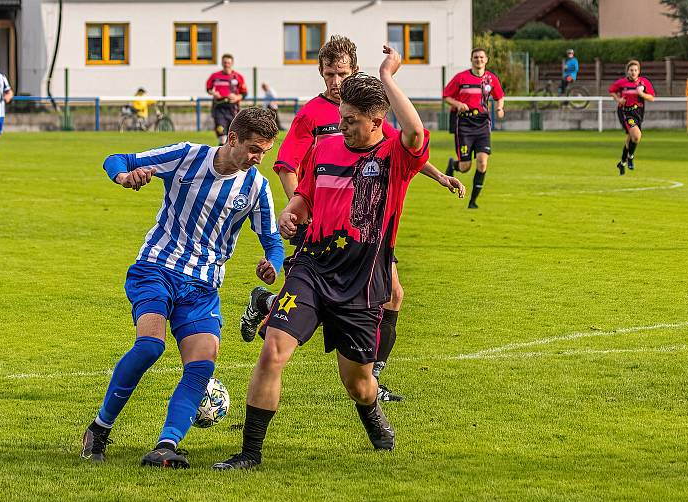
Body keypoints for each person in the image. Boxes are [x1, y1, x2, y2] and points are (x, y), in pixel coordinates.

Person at [213, 46, 430, 471]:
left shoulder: (394, 156)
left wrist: (388, 76)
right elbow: (303, 198)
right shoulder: (326, 149)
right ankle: (249, 454)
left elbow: (417, 133)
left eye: (351, 120)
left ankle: (372, 414)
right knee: (274, 348)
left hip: (362, 281)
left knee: (359, 384)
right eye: (342, 117)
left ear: (376, 120)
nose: (342, 126)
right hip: (312, 266)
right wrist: (290, 215)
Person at [238, 36, 464, 403]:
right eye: (329, 74)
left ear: (353, 72)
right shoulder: (311, 114)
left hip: (365, 229)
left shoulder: (365, 109)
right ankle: (365, 377)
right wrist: (300, 209)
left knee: (391, 294)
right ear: (320, 72)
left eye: (342, 74)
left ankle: (369, 375)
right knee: (325, 295)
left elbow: (403, 146)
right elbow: (285, 166)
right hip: (320, 225)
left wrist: (439, 176)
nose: (335, 82)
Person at [80, 107, 284, 469]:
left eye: (264, 152)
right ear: (232, 138)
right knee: (149, 346)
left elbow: (272, 240)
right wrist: (125, 176)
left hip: (203, 287)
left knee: (202, 364)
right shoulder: (187, 156)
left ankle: (166, 445)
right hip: (156, 268)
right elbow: (116, 159)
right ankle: (99, 428)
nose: (257, 159)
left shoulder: (256, 187)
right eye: (253, 148)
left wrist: (273, 262)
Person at [443, 47, 505, 209]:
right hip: (464, 124)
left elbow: (500, 97)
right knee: (465, 167)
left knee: (482, 163)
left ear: (486, 60)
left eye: (481, 57)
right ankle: (453, 164)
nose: (479, 60)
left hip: (482, 124)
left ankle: (473, 201)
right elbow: (446, 96)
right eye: (476, 57)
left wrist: (499, 108)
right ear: (471, 60)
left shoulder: (491, 79)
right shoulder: (461, 78)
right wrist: (458, 104)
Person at [609, 60, 655, 175]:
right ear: (627, 71)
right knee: (636, 136)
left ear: (639, 71)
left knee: (631, 138)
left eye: (635, 70)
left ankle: (622, 163)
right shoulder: (621, 83)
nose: (633, 72)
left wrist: (642, 94)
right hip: (625, 112)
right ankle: (630, 157)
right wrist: (618, 99)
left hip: (638, 112)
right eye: (631, 70)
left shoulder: (644, 82)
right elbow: (612, 91)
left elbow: (652, 98)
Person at [207, 54, 248, 145]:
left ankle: (232, 157)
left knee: (233, 135)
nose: (226, 65)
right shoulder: (215, 76)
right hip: (219, 107)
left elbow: (244, 93)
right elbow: (209, 89)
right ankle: (220, 158)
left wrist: (237, 97)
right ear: (222, 63)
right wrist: (213, 93)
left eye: (228, 63)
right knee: (222, 136)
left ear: (232, 63)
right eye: (225, 62)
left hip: (233, 109)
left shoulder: (238, 77)